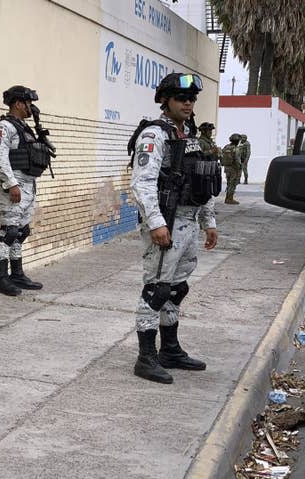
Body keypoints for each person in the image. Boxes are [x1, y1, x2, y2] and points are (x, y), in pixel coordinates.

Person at [129, 72, 218, 384]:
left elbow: (202, 181)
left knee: (176, 289)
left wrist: (209, 222)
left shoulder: (189, 137)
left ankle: (170, 349)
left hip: (189, 223)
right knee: (156, 289)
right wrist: (155, 222)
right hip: (166, 223)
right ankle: (146, 357)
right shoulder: (154, 136)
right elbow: (142, 183)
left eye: (192, 98)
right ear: (165, 101)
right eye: (182, 98)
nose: (189, 103)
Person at [0, 86, 51, 296]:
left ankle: (17, 273)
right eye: (28, 103)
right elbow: (1, 158)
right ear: (18, 103)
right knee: (9, 232)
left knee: (21, 232)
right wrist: (11, 184)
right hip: (13, 186)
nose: (31, 107)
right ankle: (1, 279)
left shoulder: (25, 127)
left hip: (28, 184)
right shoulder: (4, 127)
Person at [221, 134, 243, 204]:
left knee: (229, 183)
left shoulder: (226, 147)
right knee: (233, 183)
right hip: (234, 168)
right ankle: (229, 198)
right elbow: (237, 159)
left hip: (227, 168)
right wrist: (239, 167)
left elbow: (221, 155)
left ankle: (228, 198)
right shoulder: (236, 148)